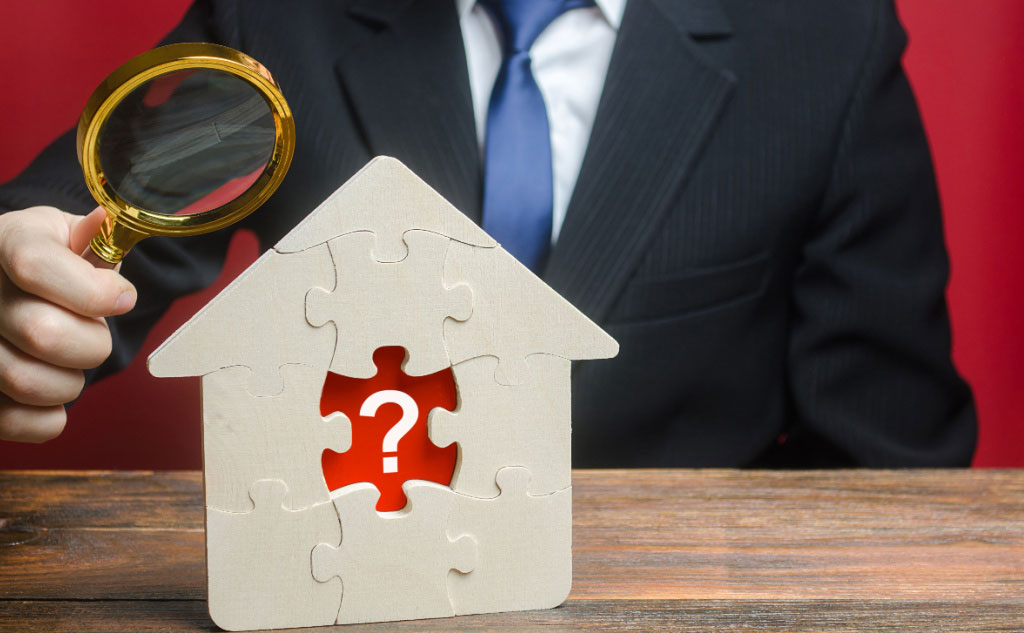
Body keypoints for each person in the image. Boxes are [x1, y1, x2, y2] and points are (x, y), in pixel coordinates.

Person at [0, 0, 976, 466]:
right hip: (351, 596)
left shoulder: (822, 36)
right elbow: (72, 234)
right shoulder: (279, 18)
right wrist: (22, 293)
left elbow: (896, 464)